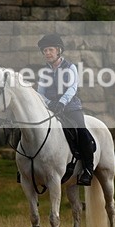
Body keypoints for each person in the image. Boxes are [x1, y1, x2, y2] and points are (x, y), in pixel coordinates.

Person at [36, 33, 95, 186]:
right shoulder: (44, 72)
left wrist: (61, 102)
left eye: (50, 50)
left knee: (82, 131)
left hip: (70, 107)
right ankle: (26, 168)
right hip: (50, 108)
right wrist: (49, 103)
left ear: (58, 50)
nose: (47, 53)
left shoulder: (70, 67)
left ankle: (88, 169)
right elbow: (40, 92)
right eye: (44, 51)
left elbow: (72, 88)